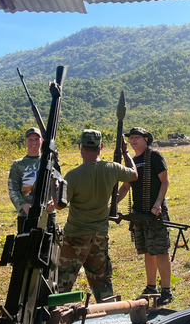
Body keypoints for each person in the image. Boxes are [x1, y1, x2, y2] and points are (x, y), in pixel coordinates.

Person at [57, 129, 137, 302]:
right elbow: (134, 173)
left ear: (80, 147)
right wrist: (125, 151)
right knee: (102, 283)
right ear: (100, 146)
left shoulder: (73, 176)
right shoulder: (112, 169)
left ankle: (57, 320)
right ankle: (109, 316)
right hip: (100, 236)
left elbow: (59, 205)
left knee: (62, 284)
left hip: (75, 237)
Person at [117, 127, 174, 305]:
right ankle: (151, 288)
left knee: (161, 251)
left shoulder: (155, 156)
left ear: (146, 140)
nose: (133, 141)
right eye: (131, 138)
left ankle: (166, 291)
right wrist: (112, 204)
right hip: (139, 214)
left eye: (137, 138)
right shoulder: (132, 161)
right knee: (148, 251)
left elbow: (165, 181)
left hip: (155, 213)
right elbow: (125, 187)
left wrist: (158, 203)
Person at [8, 127, 44, 234]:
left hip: (46, 213)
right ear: (25, 141)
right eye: (30, 139)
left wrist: (54, 202)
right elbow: (12, 189)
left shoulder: (48, 162)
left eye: (36, 139)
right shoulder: (18, 164)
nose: (34, 142)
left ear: (41, 140)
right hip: (25, 214)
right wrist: (23, 205)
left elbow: (58, 184)